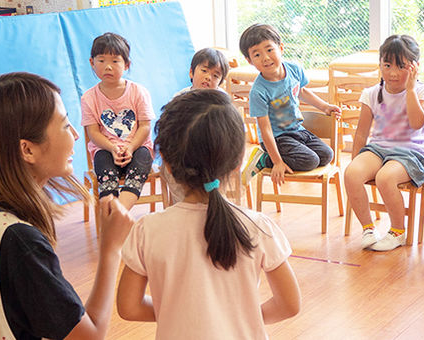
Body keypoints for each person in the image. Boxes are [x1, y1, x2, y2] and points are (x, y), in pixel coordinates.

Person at [0, 72, 134, 340]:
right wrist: (111, 248)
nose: (74, 134)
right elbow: (89, 337)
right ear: (27, 150)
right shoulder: (17, 240)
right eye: (64, 125)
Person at [116, 90, 301, 340]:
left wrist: (179, 313)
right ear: (238, 163)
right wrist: (237, 318)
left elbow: (129, 307)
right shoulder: (258, 226)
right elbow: (289, 304)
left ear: (167, 166)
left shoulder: (147, 229)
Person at [344, 34, 424, 251]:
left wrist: (411, 90)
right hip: (378, 149)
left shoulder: (422, 91)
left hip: (410, 154)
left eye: (401, 66)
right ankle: (368, 228)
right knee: (351, 173)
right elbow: (361, 133)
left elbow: (417, 124)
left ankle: (397, 231)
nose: (393, 73)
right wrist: (356, 161)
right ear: (380, 65)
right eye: (387, 65)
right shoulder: (371, 94)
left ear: (415, 67)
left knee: (385, 178)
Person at [239, 23, 341, 186]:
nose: (265, 57)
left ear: (281, 48)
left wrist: (325, 107)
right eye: (257, 54)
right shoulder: (258, 91)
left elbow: (302, 91)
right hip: (277, 137)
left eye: (269, 49)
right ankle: (264, 159)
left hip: (297, 130)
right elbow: (265, 129)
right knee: (310, 161)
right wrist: (278, 162)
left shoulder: (294, 69)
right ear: (249, 61)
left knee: (327, 155)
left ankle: (279, 155)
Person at [81, 32, 155, 210]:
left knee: (143, 157)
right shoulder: (89, 98)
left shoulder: (139, 91)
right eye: (101, 60)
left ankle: (118, 213)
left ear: (126, 64)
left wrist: (129, 147)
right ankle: (112, 212)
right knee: (102, 162)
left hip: (137, 148)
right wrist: (113, 148)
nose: (108, 67)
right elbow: (93, 133)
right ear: (92, 62)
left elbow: (145, 127)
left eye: (115, 61)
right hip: (106, 149)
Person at [163, 47, 230, 204]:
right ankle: (184, 206)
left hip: (212, 153)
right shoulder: (180, 98)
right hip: (185, 153)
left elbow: (229, 132)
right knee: (170, 171)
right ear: (192, 73)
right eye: (204, 71)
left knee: (214, 176)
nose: (208, 77)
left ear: (220, 82)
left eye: (215, 75)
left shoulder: (222, 100)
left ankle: (213, 204)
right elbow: (170, 130)